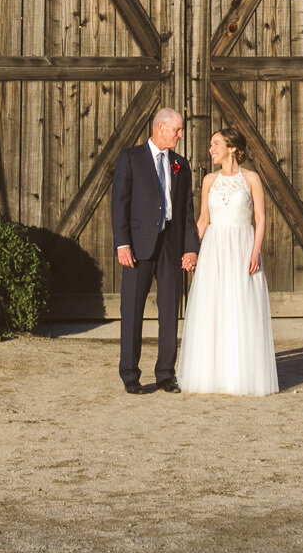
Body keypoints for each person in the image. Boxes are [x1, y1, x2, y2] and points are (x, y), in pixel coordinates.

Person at [174, 129, 280, 397]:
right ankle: (212, 372)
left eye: (216, 144)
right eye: (211, 145)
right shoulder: (209, 180)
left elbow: (261, 218)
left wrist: (255, 252)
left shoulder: (251, 178)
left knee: (240, 306)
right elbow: (203, 219)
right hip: (214, 249)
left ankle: (240, 374)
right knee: (214, 306)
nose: (211, 149)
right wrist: (190, 251)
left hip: (242, 246)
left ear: (232, 148)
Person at [109, 107, 198, 394]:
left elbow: (186, 211)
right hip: (137, 245)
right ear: (160, 128)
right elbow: (119, 203)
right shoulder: (130, 159)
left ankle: (165, 373)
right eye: (177, 130)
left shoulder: (180, 165)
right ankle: (130, 374)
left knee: (170, 310)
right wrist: (122, 243)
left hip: (171, 245)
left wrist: (190, 248)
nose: (180, 135)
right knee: (132, 309)